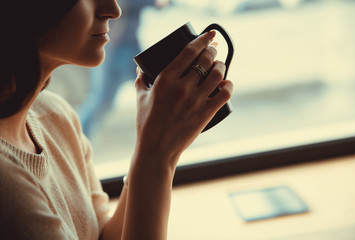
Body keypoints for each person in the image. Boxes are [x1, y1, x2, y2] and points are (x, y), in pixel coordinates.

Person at [0, 0, 232, 239]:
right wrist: (158, 154)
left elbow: (103, 236)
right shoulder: (6, 185)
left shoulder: (56, 115)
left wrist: (153, 144)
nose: (114, 10)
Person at [77, 0, 171, 137]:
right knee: (102, 100)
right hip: (115, 49)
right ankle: (77, 137)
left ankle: (167, 131)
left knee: (156, 89)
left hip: (129, 48)